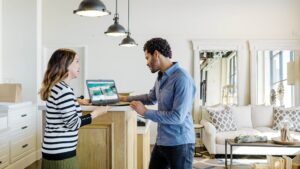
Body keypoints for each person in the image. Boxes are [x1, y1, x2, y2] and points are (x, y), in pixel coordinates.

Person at [120, 38, 196, 169]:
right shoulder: (161, 76)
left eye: (147, 58)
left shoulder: (182, 78)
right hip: (162, 141)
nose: (147, 63)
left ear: (156, 54)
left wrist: (145, 112)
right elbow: (151, 98)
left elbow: (177, 117)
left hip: (180, 144)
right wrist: (125, 99)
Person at [39, 48, 109, 169]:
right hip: (61, 153)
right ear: (65, 65)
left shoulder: (59, 87)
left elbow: (61, 105)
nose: (79, 65)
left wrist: (77, 100)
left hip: (54, 151)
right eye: (76, 61)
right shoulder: (64, 91)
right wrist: (97, 113)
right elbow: (73, 123)